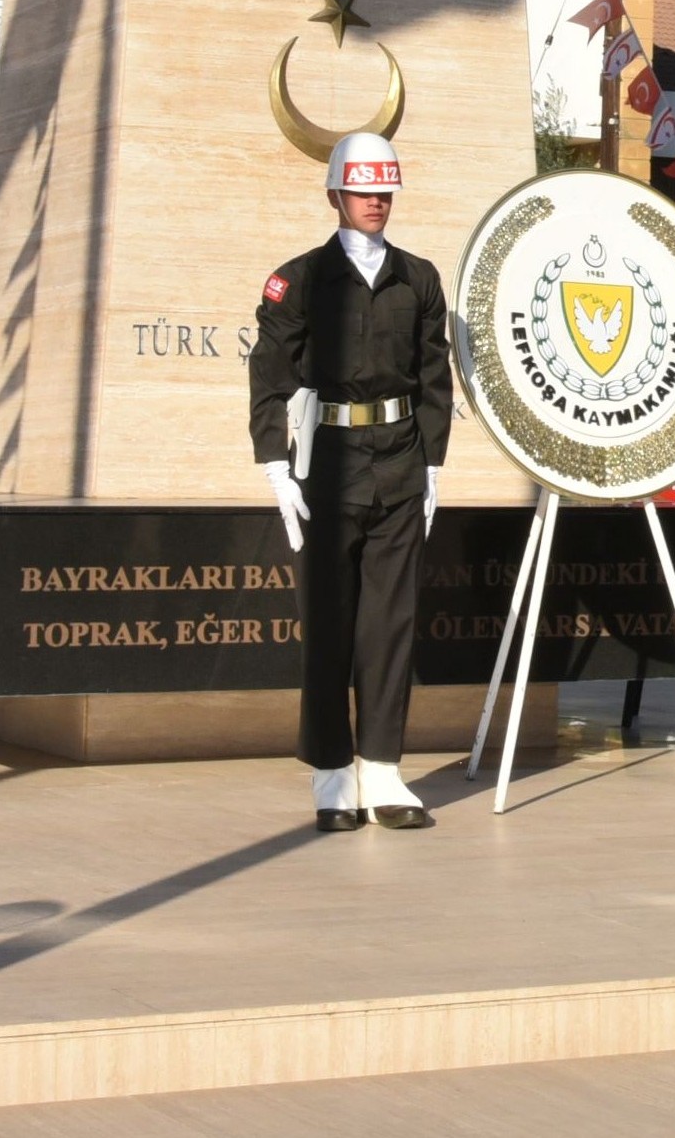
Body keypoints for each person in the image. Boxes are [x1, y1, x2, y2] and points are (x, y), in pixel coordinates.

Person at [247, 131, 450, 834]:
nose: (376, 203)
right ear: (335, 194)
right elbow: (270, 375)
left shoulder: (418, 278)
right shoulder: (299, 279)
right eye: (364, 191)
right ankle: (332, 775)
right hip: (328, 467)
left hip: (398, 460)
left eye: (384, 191)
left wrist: (432, 468)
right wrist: (276, 465)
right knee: (330, 625)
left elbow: (433, 377)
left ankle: (385, 772)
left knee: (390, 624)